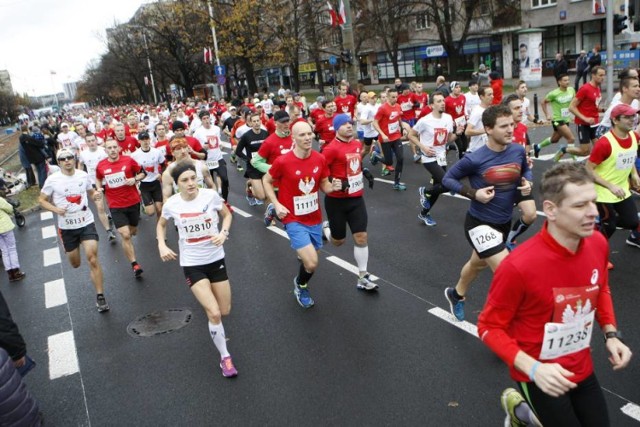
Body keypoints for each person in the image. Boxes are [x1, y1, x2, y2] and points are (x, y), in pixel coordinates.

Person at [477, 162, 632, 427]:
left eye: (593, 202)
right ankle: (522, 411)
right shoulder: (519, 266)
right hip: (538, 376)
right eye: (579, 206)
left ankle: (525, 415)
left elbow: (600, 287)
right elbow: (488, 327)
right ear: (550, 210)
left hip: (581, 366)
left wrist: (611, 333)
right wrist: (534, 368)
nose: (593, 213)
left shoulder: (598, 243)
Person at [442, 105, 532, 321]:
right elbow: (448, 179)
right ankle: (499, 323)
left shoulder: (518, 150)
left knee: (477, 264)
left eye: (512, 124)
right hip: (479, 224)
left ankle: (456, 294)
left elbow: (525, 169)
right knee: (508, 272)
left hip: (503, 223)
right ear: (489, 129)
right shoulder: (475, 158)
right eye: (504, 126)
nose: (511, 129)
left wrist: (528, 181)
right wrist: (474, 193)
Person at [157, 163, 237, 378]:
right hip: (192, 263)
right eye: (185, 180)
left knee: (225, 310)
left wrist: (224, 233)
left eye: (193, 178)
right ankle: (225, 358)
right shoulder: (172, 204)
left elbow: (227, 215)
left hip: (216, 259)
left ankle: (213, 318)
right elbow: (161, 224)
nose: (191, 183)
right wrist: (162, 244)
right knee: (214, 312)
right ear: (177, 184)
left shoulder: (210, 196)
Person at [262, 122, 342, 308]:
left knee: (311, 258)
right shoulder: (283, 161)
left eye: (309, 134)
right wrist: (277, 203)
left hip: (314, 217)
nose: (307, 138)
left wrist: (333, 188)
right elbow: (267, 180)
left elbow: (324, 184)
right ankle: (300, 284)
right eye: (302, 135)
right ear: (293, 138)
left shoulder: (319, 158)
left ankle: (303, 278)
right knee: (312, 263)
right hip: (292, 217)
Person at [40, 149, 109, 312]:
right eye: (63, 159)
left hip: (86, 222)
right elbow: (41, 200)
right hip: (67, 227)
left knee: (92, 258)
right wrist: (55, 209)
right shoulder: (52, 180)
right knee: (75, 263)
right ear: (59, 162)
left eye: (70, 157)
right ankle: (71, 249)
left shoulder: (82, 175)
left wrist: (96, 197)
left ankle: (100, 296)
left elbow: (91, 192)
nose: (67, 161)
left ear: (74, 159)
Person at [321, 114, 377, 291]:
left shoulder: (356, 144)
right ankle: (326, 230)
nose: (349, 126)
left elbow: (354, 164)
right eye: (344, 124)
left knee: (361, 237)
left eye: (350, 123)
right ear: (337, 127)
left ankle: (363, 276)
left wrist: (364, 171)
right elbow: (321, 174)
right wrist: (334, 182)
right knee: (338, 242)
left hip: (356, 199)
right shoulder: (330, 149)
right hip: (336, 201)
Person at [586, 103, 640, 249]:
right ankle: (595, 251)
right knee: (609, 227)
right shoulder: (604, 143)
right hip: (602, 192)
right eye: (627, 117)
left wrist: (634, 174)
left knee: (632, 222)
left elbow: (630, 155)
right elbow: (588, 170)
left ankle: (597, 225)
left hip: (622, 190)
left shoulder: (634, 137)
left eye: (633, 116)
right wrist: (610, 185)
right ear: (615, 120)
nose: (632, 120)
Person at [95, 139, 147, 278]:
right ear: (105, 150)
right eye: (109, 148)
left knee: (133, 231)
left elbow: (143, 173)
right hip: (115, 204)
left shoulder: (129, 160)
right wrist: (99, 188)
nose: (112, 150)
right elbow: (98, 178)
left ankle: (132, 230)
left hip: (133, 201)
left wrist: (135, 179)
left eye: (114, 147)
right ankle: (135, 264)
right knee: (125, 234)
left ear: (118, 148)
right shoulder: (101, 165)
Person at [409, 92, 457, 226]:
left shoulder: (448, 118)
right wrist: (422, 147)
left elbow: (448, 138)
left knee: (438, 188)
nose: (443, 103)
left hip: (441, 157)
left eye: (443, 100)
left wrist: (457, 134)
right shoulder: (425, 121)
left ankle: (424, 213)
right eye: (439, 101)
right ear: (431, 105)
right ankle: (425, 191)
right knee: (447, 184)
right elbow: (411, 135)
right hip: (429, 158)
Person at [502, 94, 537, 249]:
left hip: (520, 178)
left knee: (530, 215)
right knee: (501, 219)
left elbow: (523, 148)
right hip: (502, 181)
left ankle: (510, 238)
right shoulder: (501, 132)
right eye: (516, 108)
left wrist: (526, 158)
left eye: (521, 107)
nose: (521, 110)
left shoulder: (522, 127)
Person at [553, 66, 605, 161]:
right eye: (600, 75)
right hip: (583, 124)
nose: (603, 77)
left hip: (594, 123)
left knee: (600, 149)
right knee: (585, 151)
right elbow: (571, 107)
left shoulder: (597, 88)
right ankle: (564, 149)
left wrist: (602, 110)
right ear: (593, 75)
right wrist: (585, 118)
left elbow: (592, 106)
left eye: (604, 75)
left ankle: (596, 170)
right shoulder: (585, 89)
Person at [372, 88, 410, 190]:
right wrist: (382, 134)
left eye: (396, 96)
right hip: (386, 139)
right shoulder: (383, 108)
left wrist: (403, 129)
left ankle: (396, 183)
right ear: (388, 97)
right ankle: (376, 155)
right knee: (388, 162)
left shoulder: (398, 106)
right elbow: (374, 122)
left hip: (396, 136)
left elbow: (398, 117)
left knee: (400, 158)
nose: (395, 99)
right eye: (393, 97)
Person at [532, 74, 576, 158]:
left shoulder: (571, 90)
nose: (567, 82)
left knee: (554, 140)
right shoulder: (554, 93)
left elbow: (574, 102)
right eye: (565, 80)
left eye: (568, 80)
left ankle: (537, 147)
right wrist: (547, 114)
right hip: (557, 120)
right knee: (571, 139)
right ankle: (575, 159)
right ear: (559, 82)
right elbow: (543, 102)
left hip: (566, 119)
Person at [130, 132, 166, 219]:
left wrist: (161, 174)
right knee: (150, 213)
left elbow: (163, 165)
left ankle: (159, 229)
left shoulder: (157, 152)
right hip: (144, 184)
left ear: (150, 140)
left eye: (147, 139)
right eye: (142, 140)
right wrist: (136, 182)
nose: (145, 141)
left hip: (155, 182)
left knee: (159, 209)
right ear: (139, 141)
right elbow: (132, 171)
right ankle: (144, 204)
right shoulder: (134, 155)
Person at [0, 196, 25, 281]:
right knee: (11, 249)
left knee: (4, 251)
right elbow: (9, 208)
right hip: (4, 226)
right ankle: (16, 272)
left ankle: (10, 274)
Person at [18, 125, 47, 189]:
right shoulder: (29, 138)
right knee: (42, 171)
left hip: (31, 158)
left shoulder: (21, 138)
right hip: (38, 156)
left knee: (39, 171)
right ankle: (43, 185)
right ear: (27, 129)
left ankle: (40, 185)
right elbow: (40, 144)